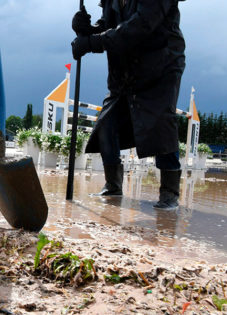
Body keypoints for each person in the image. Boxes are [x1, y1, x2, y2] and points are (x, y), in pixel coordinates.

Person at [71, 0, 185, 210]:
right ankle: (113, 185)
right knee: (107, 124)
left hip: (161, 66)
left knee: (161, 122)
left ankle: (170, 193)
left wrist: (91, 42)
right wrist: (88, 29)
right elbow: (110, 25)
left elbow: (139, 25)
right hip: (124, 71)